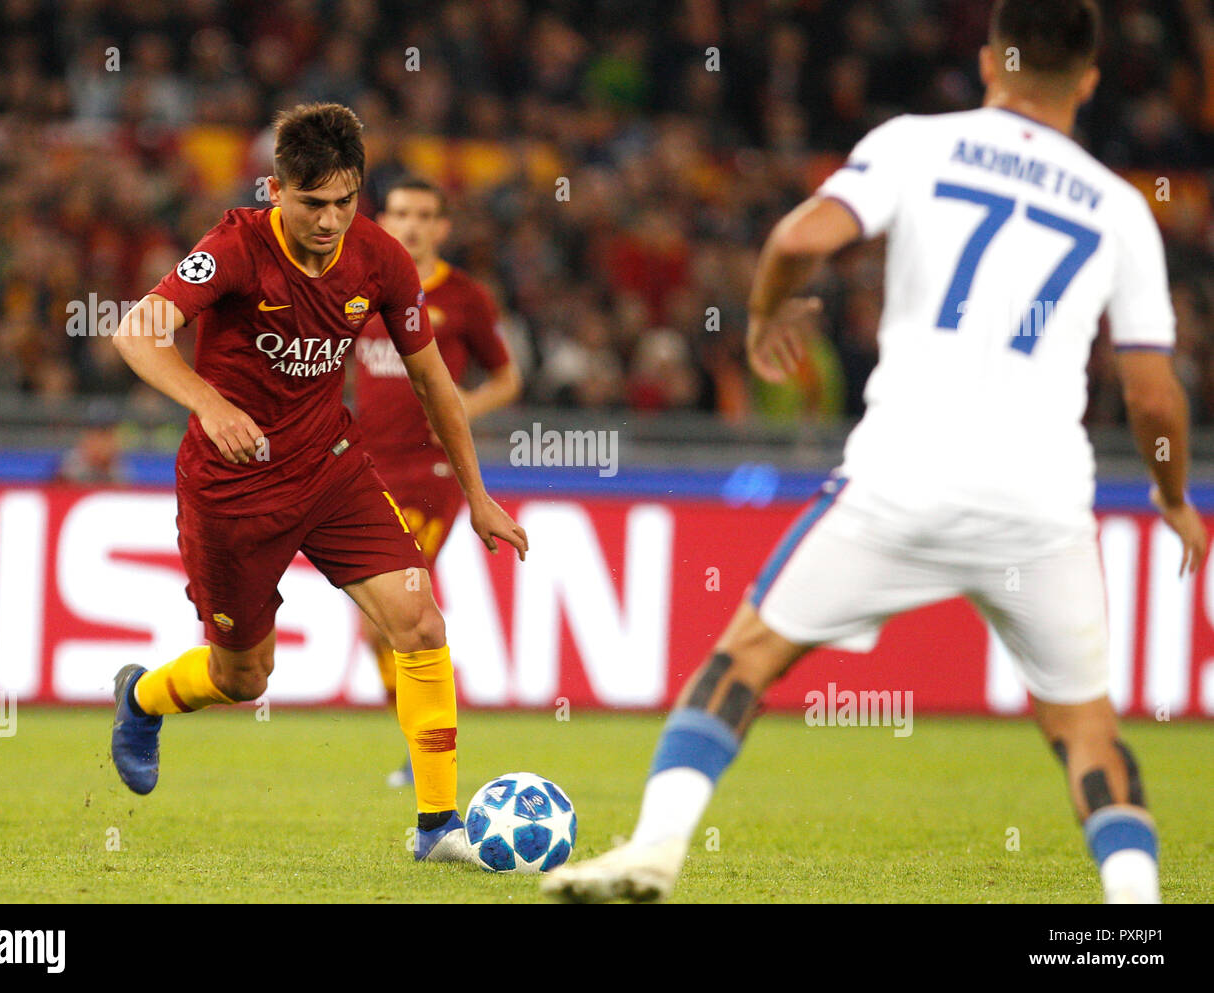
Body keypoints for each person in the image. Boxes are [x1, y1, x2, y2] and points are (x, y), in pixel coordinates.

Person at [544, 0, 1206, 903]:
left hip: (902, 475)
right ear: (1088, 81)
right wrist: (1170, 498)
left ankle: (656, 847)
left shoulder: (914, 144)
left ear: (987, 61)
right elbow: (1152, 391)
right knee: (1086, 729)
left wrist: (771, 307)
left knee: (744, 658)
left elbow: (797, 237)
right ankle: (1137, 918)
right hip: (1041, 503)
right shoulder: (1122, 208)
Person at [108, 102, 527, 864]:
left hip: (331, 466)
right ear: (276, 190)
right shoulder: (233, 247)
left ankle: (438, 826)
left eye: (345, 200)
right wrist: (210, 401)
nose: (332, 220)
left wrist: (478, 494)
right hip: (232, 489)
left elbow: (434, 380)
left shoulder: (381, 259)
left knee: (420, 622)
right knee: (244, 677)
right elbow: (135, 330)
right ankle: (142, 698)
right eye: (313, 203)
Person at [352, 177, 521, 787]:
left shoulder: (466, 297)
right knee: (374, 624)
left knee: (399, 605)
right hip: (364, 468)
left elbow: (505, 379)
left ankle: (425, 746)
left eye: (425, 214)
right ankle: (420, 736)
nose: (412, 225)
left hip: (432, 472)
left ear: (442, 227)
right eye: (400, 212)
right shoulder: (359, 286)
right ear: (385, 219)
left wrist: (460, 410)